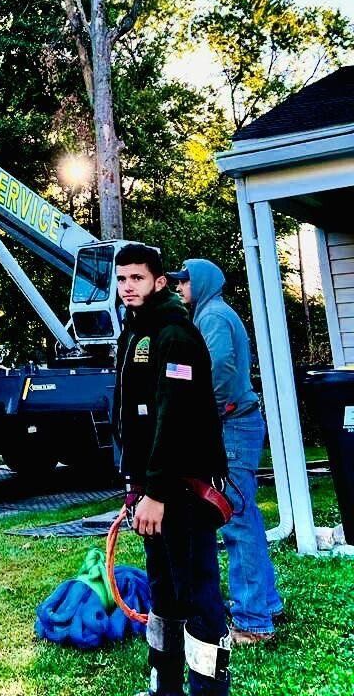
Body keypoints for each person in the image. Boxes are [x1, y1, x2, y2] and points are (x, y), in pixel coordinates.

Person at [113, 244, 231, 696]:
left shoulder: (174, 334)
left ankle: (208, 690)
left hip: (180, 493)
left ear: (159, 282)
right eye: (122, 279)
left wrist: (158, 493)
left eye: (137, 279)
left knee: (198, 597)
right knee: (163, 594)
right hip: (152, 493)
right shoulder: (138, 331)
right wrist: (137, 487)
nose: (128, 288)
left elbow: (175, 416)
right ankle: (164, 687)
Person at [167, 259, 283, 645]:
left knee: (234, 520)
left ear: (199, 283)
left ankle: (252, 622)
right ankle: (266, 604)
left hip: (232, 425)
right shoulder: (213, 314)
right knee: (246, 519)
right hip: (239, 421)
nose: (179, 288)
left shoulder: (213, 316)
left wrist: (202, 419)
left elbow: (215, 372)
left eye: (184, 282)